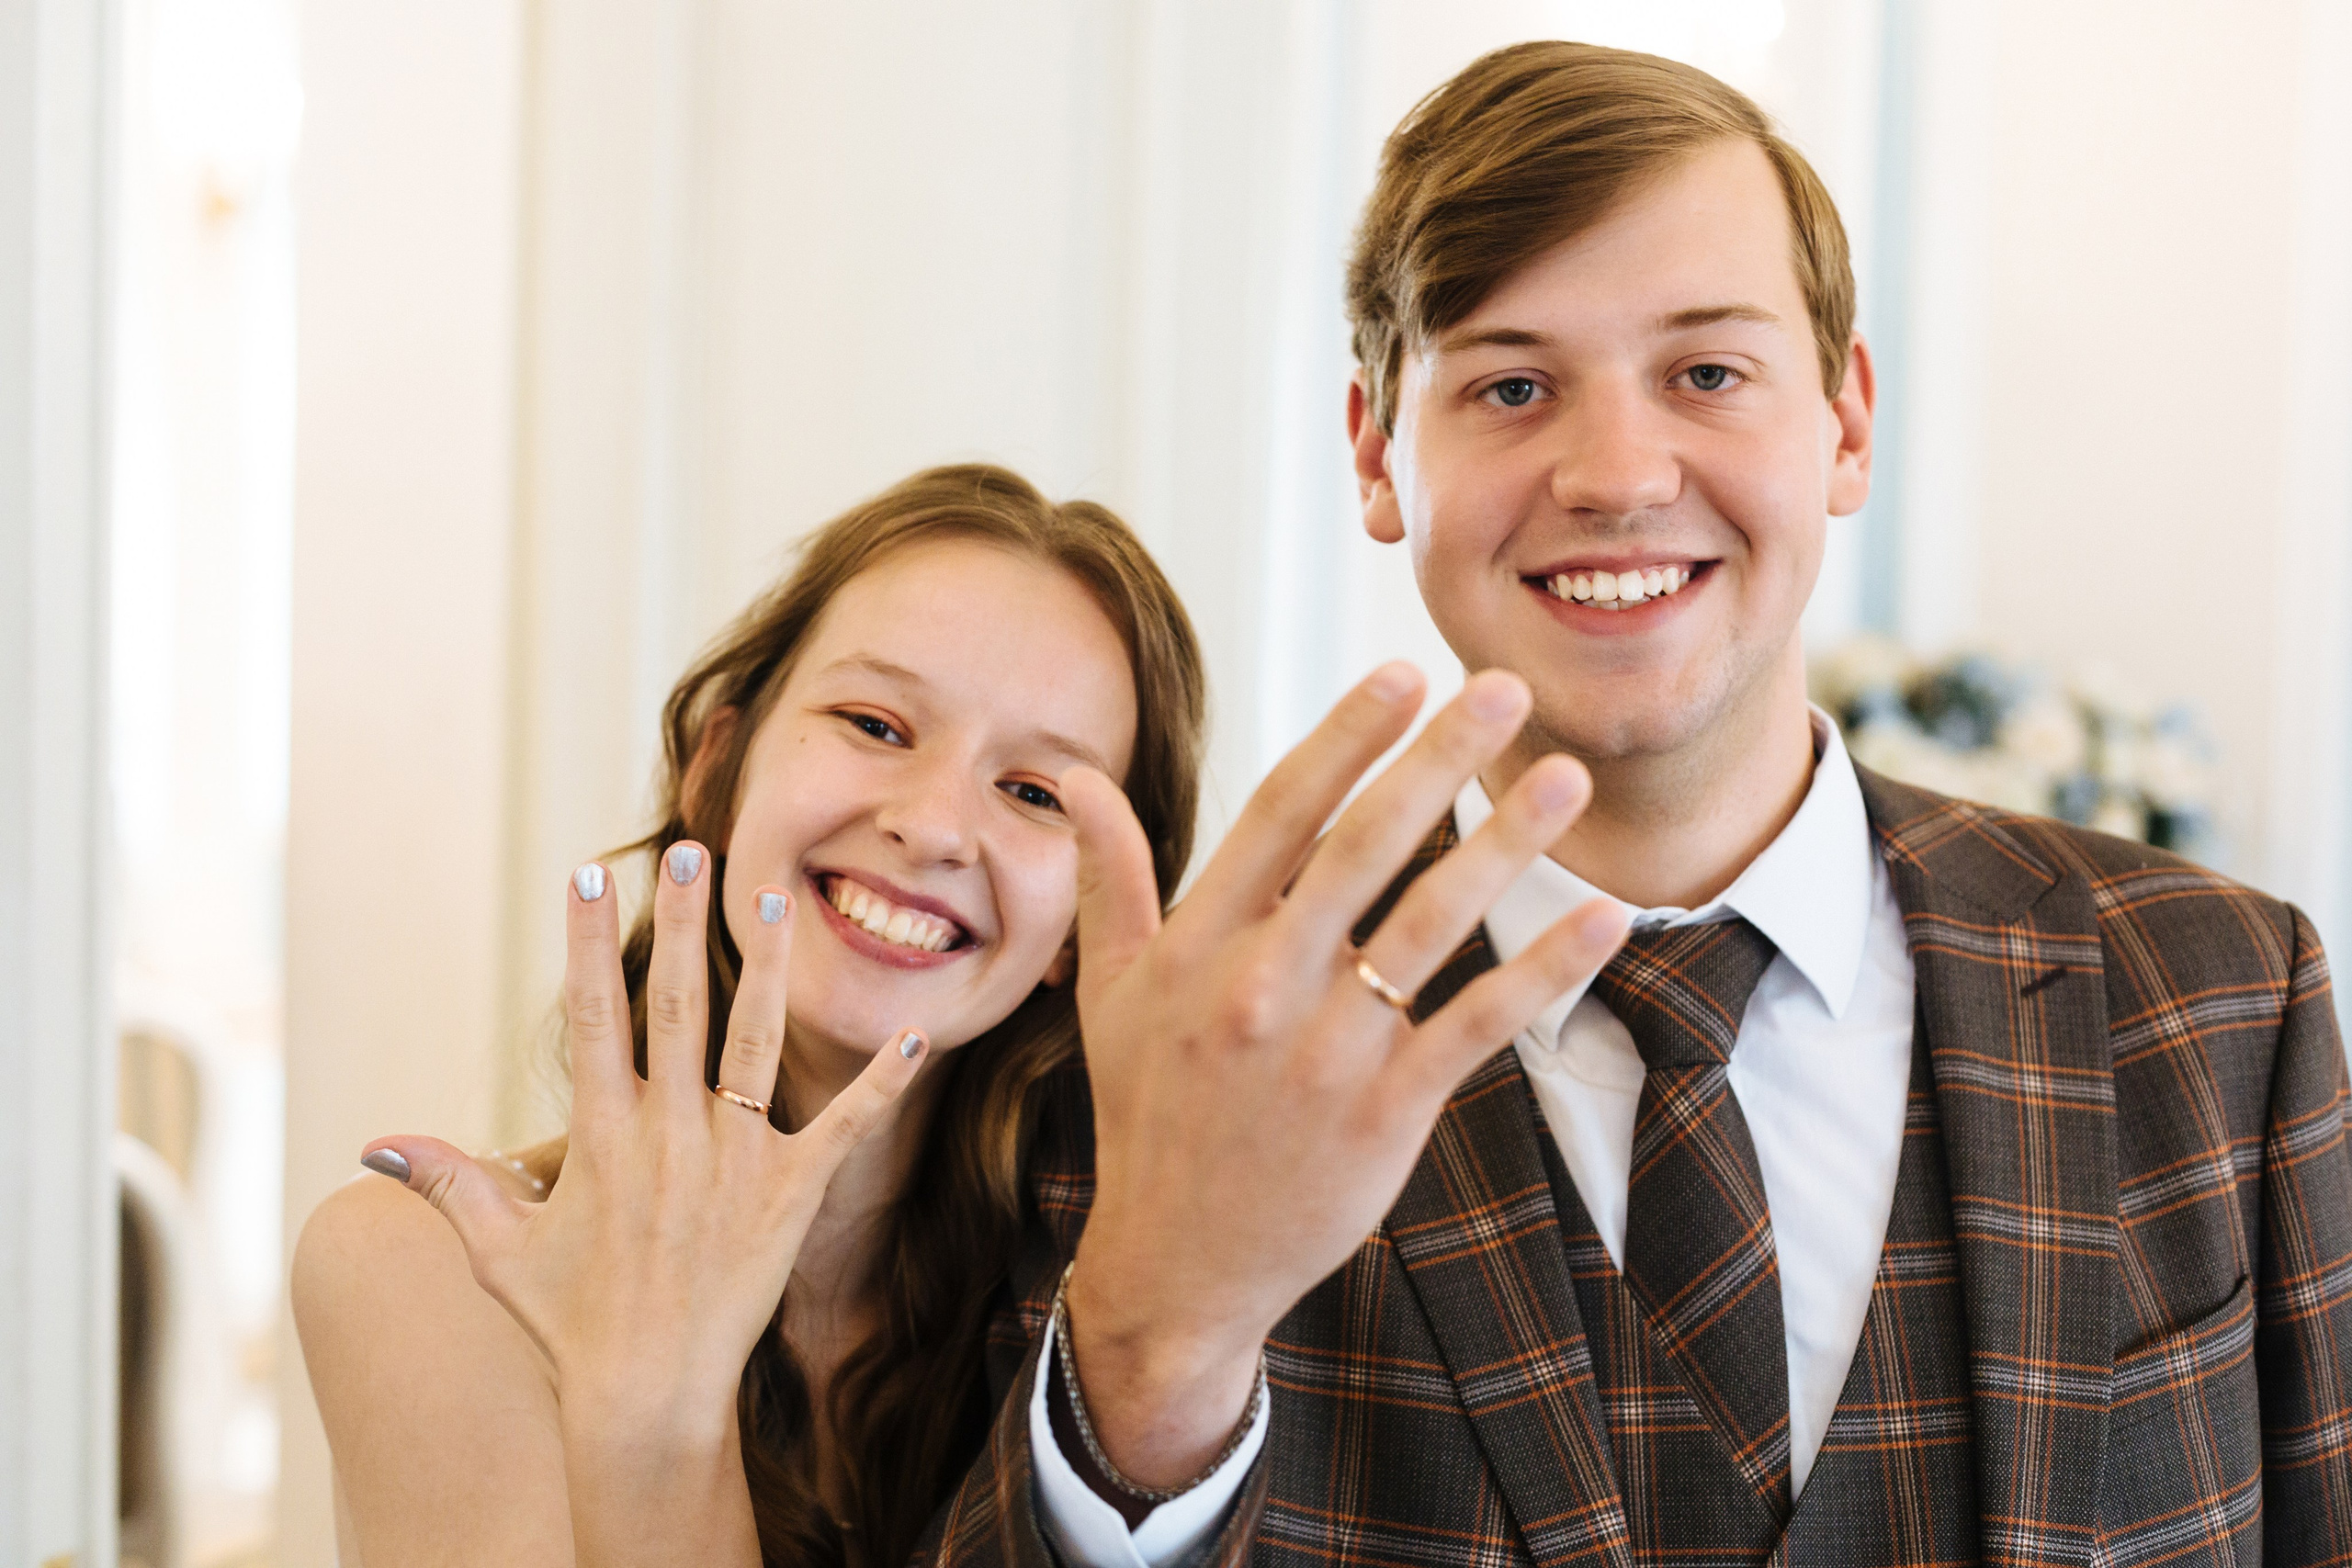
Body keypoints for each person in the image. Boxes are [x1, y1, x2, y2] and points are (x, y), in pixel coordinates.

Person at [925, 41, 2352, 1567]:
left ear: (1846, 423)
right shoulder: (1191, 1051)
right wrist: (1157, 1330)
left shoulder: (2217, 994)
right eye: (1513, 384)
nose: (1614, 472)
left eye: (1707, 372)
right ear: (1376, 453)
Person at [291, 464, 1210, 1566]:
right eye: (875, 723)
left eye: (1033, 793)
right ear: (717, 765)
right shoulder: (429, 1266)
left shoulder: (1119, 1313)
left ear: (1092, 919)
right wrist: (651, 1403)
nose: (930, 827)